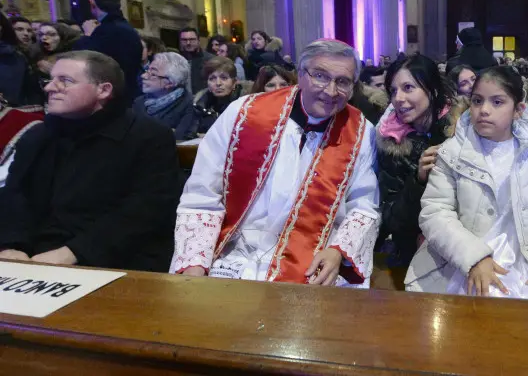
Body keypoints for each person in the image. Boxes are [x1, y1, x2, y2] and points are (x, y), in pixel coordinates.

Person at [170, 39, 380, 287]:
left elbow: (365, 205)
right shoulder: (244, 114)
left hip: (315, 261)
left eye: (343, 81)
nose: (331, 90)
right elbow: (203, 194)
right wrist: (195, 263)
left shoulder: (360, 132)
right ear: (300, 76)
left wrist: (338, 251)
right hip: (234, 256)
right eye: (320, 76)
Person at [406, 66, 528, 302]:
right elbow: (435, 211)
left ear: (518, 110)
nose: (484, 110)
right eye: (477, 101)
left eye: (497, 102)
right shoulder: (452, 152)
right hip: (465, 256)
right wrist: (473, 257)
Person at [0, 51, 183, 271]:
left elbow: (146, 211)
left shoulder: (149, 137)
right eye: (49, 80)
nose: (49, 88)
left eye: (65, 81)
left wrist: (74, 252)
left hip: (113, 260)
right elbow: (14, 196)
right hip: (34, 256)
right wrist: (12, 245)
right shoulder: (38, 135)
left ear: (103, 90)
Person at [376, 54, 459, 267]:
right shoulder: (392, 144)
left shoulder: (460, 131)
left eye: (408, 88)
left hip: (460, 247)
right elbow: (392, 218)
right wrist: (418, 179)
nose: (398, 98)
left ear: (433, 90)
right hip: (413, 256)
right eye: (393, 91)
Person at [72, 0, 144, 105]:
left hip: (109, 100)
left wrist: (88, 36)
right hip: (127, 96)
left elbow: (87, 63)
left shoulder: (106, 31)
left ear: (91, 3)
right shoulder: (128, 28)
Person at [133, 52, 195, 141]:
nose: (143, 76)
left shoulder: (188, 106)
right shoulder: (138, 103)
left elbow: (178, 139)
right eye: (147, 70)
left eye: (153, 74)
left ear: (171, 83)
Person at [192, 57, 252, 136]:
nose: (218, 83)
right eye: (212, 78)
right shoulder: (200, 105)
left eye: (224, 78)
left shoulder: (247, 105)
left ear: (234, 82)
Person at [0, 12, 41, 107]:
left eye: (29, 30)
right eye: (19, 29)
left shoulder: (15, 57)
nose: (26, 34)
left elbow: (31, 92)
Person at [179, 27, 213, 94]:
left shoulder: (210, 59)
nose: (188, 43)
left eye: (192, 39)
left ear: (198, 41)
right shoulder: (177, 60)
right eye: (184, 40)